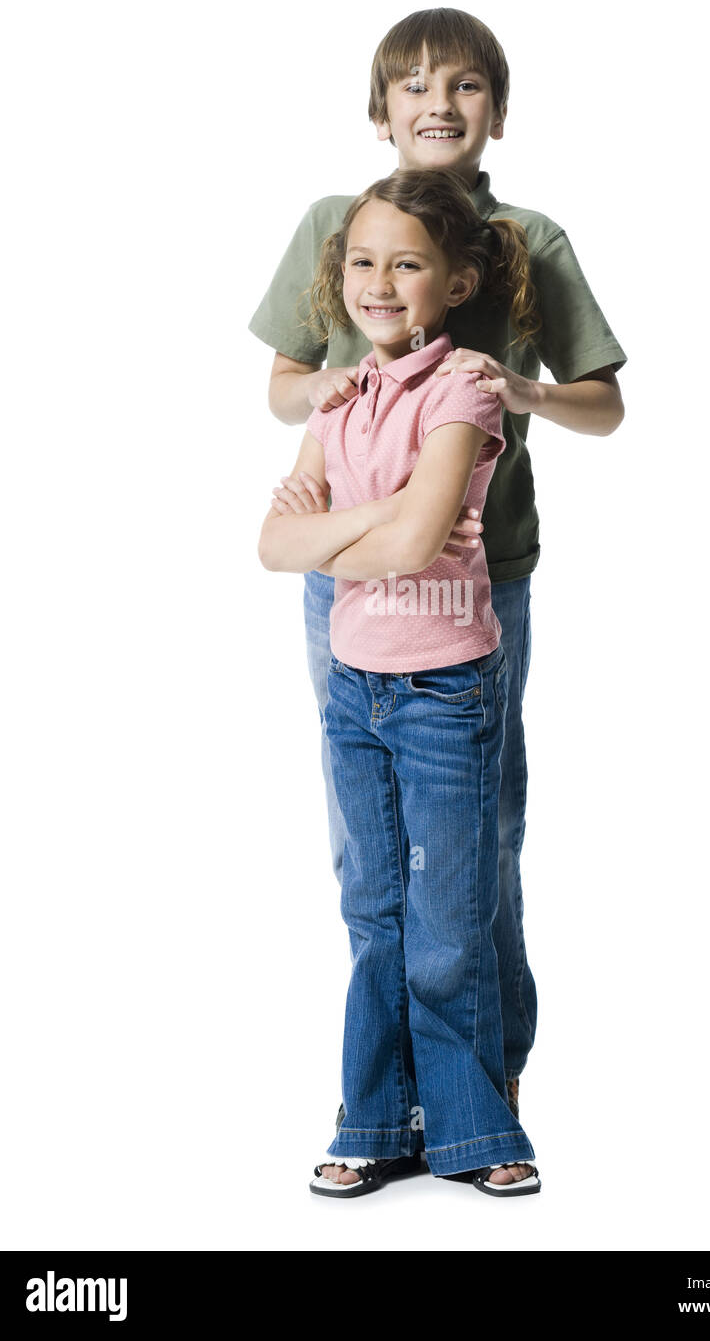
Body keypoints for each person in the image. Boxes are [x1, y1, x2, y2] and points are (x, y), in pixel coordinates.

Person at [248, 6, 627, 1164]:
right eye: (409, 83)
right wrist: (350, 514)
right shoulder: (337, 224)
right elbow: (286, 390)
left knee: (474, 841)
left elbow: (602, 402)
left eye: (462, 85)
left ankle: (480, 1087)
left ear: (493, 111)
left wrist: (523, 396)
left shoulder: (528, 239)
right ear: (379, 109)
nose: (435, 103)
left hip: (478, 581)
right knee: (373, 853)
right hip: (347, 583)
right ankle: (394, 1104)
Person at [257, 168, 543, 1195]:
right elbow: (271, 543)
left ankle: (474, 1129)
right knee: (372, 907)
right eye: (364, 262)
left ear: (456, 281)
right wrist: (375, 528)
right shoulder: (339, 396)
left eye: (407, 264)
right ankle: (375, 1118)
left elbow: (422, 535)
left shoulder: (464, 383)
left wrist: (351, 530)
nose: (380, 281)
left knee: (448, 913)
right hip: (354, 686)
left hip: (443, 690)